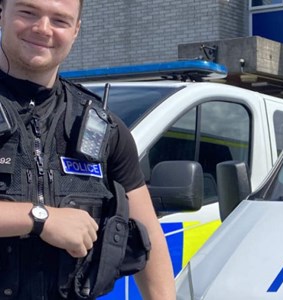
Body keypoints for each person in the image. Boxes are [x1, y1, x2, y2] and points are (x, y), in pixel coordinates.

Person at [0, 0, 175, 299]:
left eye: (60, 20)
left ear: (76, 30)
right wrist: (39, 218)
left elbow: (149, 238)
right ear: (2, 12)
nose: (43, 29)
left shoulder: (103, 128)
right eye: (28, 12)